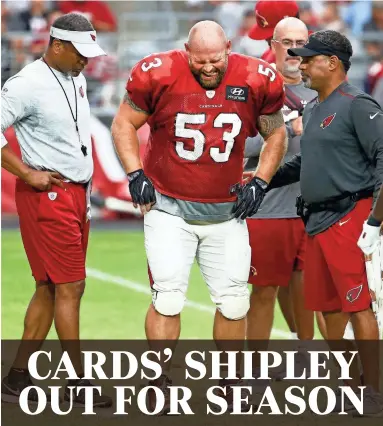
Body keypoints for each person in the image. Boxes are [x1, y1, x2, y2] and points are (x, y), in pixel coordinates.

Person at [111, 20, 287, 413]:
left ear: (229, 46)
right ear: (186, 50)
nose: (209, 68)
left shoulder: (258, 77)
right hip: (169, 208)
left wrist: (260, 180)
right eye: (200, 60)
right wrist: (135, 172)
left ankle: (228, 381)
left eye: (216, 59)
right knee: (169, 298)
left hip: (226, 210)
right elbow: (124, 122)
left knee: (234, 302)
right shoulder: (157, 71)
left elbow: (276, 133)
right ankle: (158, 380)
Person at [267, 29, 383, 416]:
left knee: (358, 306)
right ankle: (351, 386)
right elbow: (306, 164)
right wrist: (264, 179)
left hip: (351, 216)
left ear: (332, 63)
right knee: (328, 310)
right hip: (316, 221)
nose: (300, 64)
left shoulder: (358, 105)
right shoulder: (313, 108)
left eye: (308, 58)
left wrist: (374, 222)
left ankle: (374, 392)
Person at [1, 13, 111, 408]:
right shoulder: (27, 83)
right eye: (80, 53)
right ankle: (78, 381)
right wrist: (27, 172)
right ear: (57, 45)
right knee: (70, 287)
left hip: (73, 194)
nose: (87, 61)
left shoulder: (74, 77)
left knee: (49, 286)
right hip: (49, 196)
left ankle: (15, 378)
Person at [244, 17, 317, 375]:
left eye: (299, 42)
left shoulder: (322, 87)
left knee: (310, 290)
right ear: (272, 45)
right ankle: (254, 371)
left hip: (316, 208)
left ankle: (306, 355)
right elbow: (241, 144)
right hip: (269, 209)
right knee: (263, 291)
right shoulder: (257, 88)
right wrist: (287, 126)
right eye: (285, 41)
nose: (292, 50)